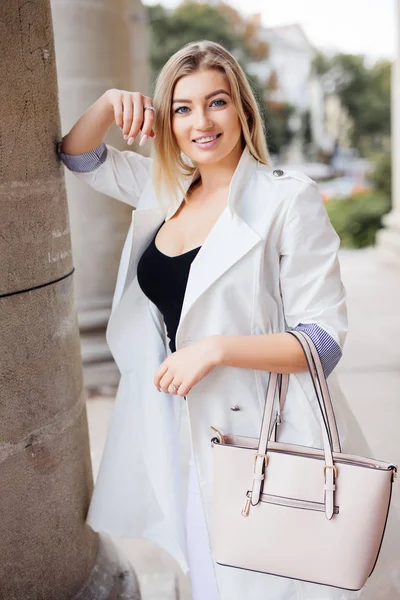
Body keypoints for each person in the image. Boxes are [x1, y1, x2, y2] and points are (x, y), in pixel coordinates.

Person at [56, 40, 398, 600]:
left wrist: (215, 349)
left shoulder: (288, 199)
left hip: (265, 427)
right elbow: (78, 156)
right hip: (180, 424)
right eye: (183, 108)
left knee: (266, 580)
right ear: (168, 119)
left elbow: (322, 340)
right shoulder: (163, 188)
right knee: (207, 569)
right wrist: (108, 102)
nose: (201, 122)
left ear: (242, 108)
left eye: (217, 102)